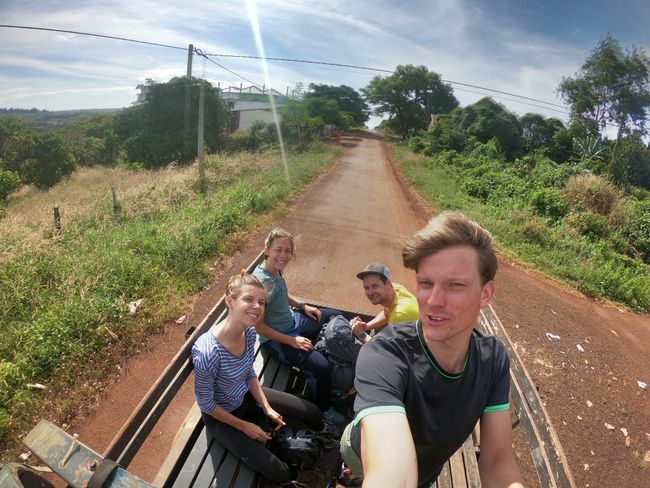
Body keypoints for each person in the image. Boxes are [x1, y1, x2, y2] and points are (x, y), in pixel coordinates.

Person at [341, 211, 524, 487]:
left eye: (455, 285)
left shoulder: (492, 359)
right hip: (359, 453)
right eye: (426, 283)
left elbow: (498, 460)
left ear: (485, 294)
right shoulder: (385, 354)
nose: (434, 301)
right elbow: (394, 475)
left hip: (426, 473)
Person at [192, 272, 324, 484]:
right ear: (230, 301)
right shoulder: (207, 351)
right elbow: (206, 404)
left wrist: (266, 406)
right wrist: (244, 426)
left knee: (313, 412)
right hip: (221, 416)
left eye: (261, 302)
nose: (257, 307)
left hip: (246, 395)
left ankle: (319, 442)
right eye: (248, 299)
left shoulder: (249, 331)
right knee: (279, 473)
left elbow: (249, 372)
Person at [252, 227, 346, 425]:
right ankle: (323, 408)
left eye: (287, 251)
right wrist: (291, 340)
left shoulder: (274, 269)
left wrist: (303, 306)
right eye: (279, 249)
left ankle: (322, 356)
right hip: (277, 340)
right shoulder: (261, 283)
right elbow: (259, 328)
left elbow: (282, 293)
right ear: (267, 250)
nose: (283, 255)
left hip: (294, 321)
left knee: (334, 316)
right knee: (322, 368)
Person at [350, 262, 419, 342]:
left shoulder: (400, 314)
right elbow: (386, 314)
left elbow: (383, 352)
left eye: (375, 286)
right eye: (366, 288)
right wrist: (366, 327)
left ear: (388, 283)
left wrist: (360, 334)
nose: (370, 292)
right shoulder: (395, 288)